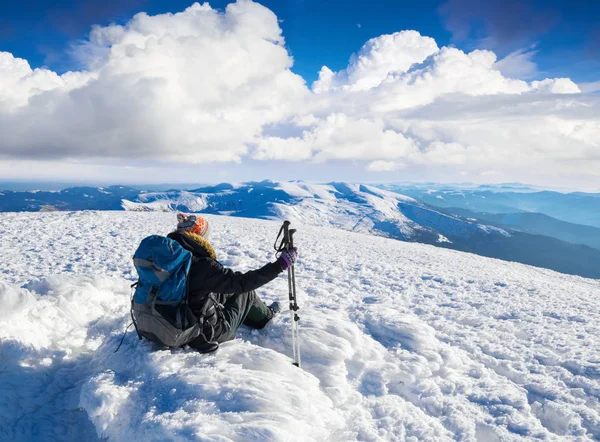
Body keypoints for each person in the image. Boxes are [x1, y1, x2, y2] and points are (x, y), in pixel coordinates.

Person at [167, 213, 298, 352]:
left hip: (167, 317)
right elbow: (242, 283)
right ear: (200, 237)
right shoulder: (201, 264)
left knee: (223, 289)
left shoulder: (169, 256)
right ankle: (265, 317)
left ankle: (250, 312)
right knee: (245, 293)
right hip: (201, 332)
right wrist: (280, 265)